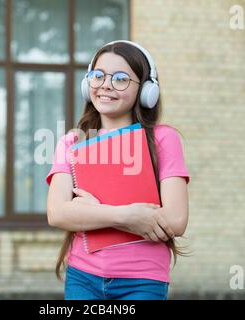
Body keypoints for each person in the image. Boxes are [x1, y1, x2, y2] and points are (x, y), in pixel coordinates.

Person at [45, 40, 190, 300]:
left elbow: (176, 220)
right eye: (98, 76)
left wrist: (90, 211)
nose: (106, 85)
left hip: (142, 280)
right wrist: (127, 216)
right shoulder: (71, 142)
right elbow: (57, 213)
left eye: (121, 79)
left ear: (146, 90)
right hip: (82, 277)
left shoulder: (163, 139)